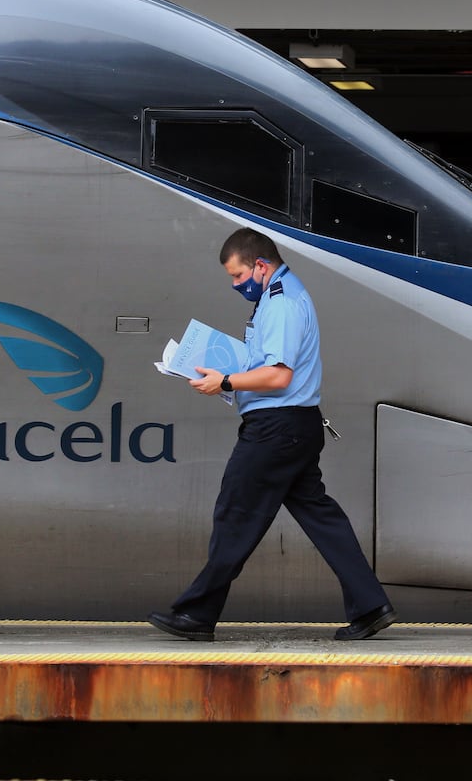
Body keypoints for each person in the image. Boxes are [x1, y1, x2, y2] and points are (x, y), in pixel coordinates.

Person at [149, 227, 396, 642]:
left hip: (275, 429)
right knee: (322, 518)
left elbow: (279, 376)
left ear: (260, 266)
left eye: (237, 275)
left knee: (236, 514)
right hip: (293, 426)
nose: (235, 284)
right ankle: (371, 606)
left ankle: (196, 614)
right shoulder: (277, 295)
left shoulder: (281, 304)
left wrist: (225, 382)